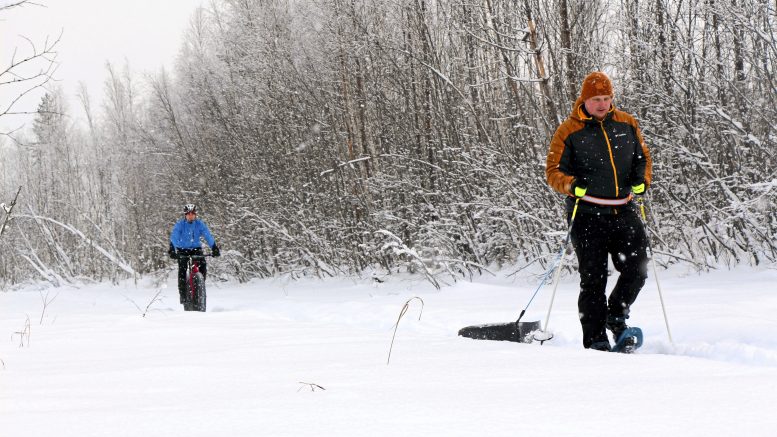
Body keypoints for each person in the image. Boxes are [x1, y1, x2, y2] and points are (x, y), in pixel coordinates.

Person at [545, 71, 652, 351]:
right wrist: (571, 185)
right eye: (596, 99)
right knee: (593, 279)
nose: (602, 104)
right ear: (585, 100)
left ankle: (616, 315)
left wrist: (642, 180)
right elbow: (553, 172)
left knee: (637, 269)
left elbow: (643, 158)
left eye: (606, 98)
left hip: (623, 210)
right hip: (586, 214)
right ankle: (596, 340)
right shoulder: (569, 131)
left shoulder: (627, 124)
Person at [168, 204, 221, 303]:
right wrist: (172, 248)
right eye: (188, 214)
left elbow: (207, 235)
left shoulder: (199, 224)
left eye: (193, 214)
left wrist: (214, 247)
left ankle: (200, 287)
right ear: (185, 215)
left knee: (203, 265)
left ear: (195, 215)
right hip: (182, 249)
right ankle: (183, 295)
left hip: (196, 248)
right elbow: (174, 236)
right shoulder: (180, 225)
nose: (191, 216)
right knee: (182, 271)